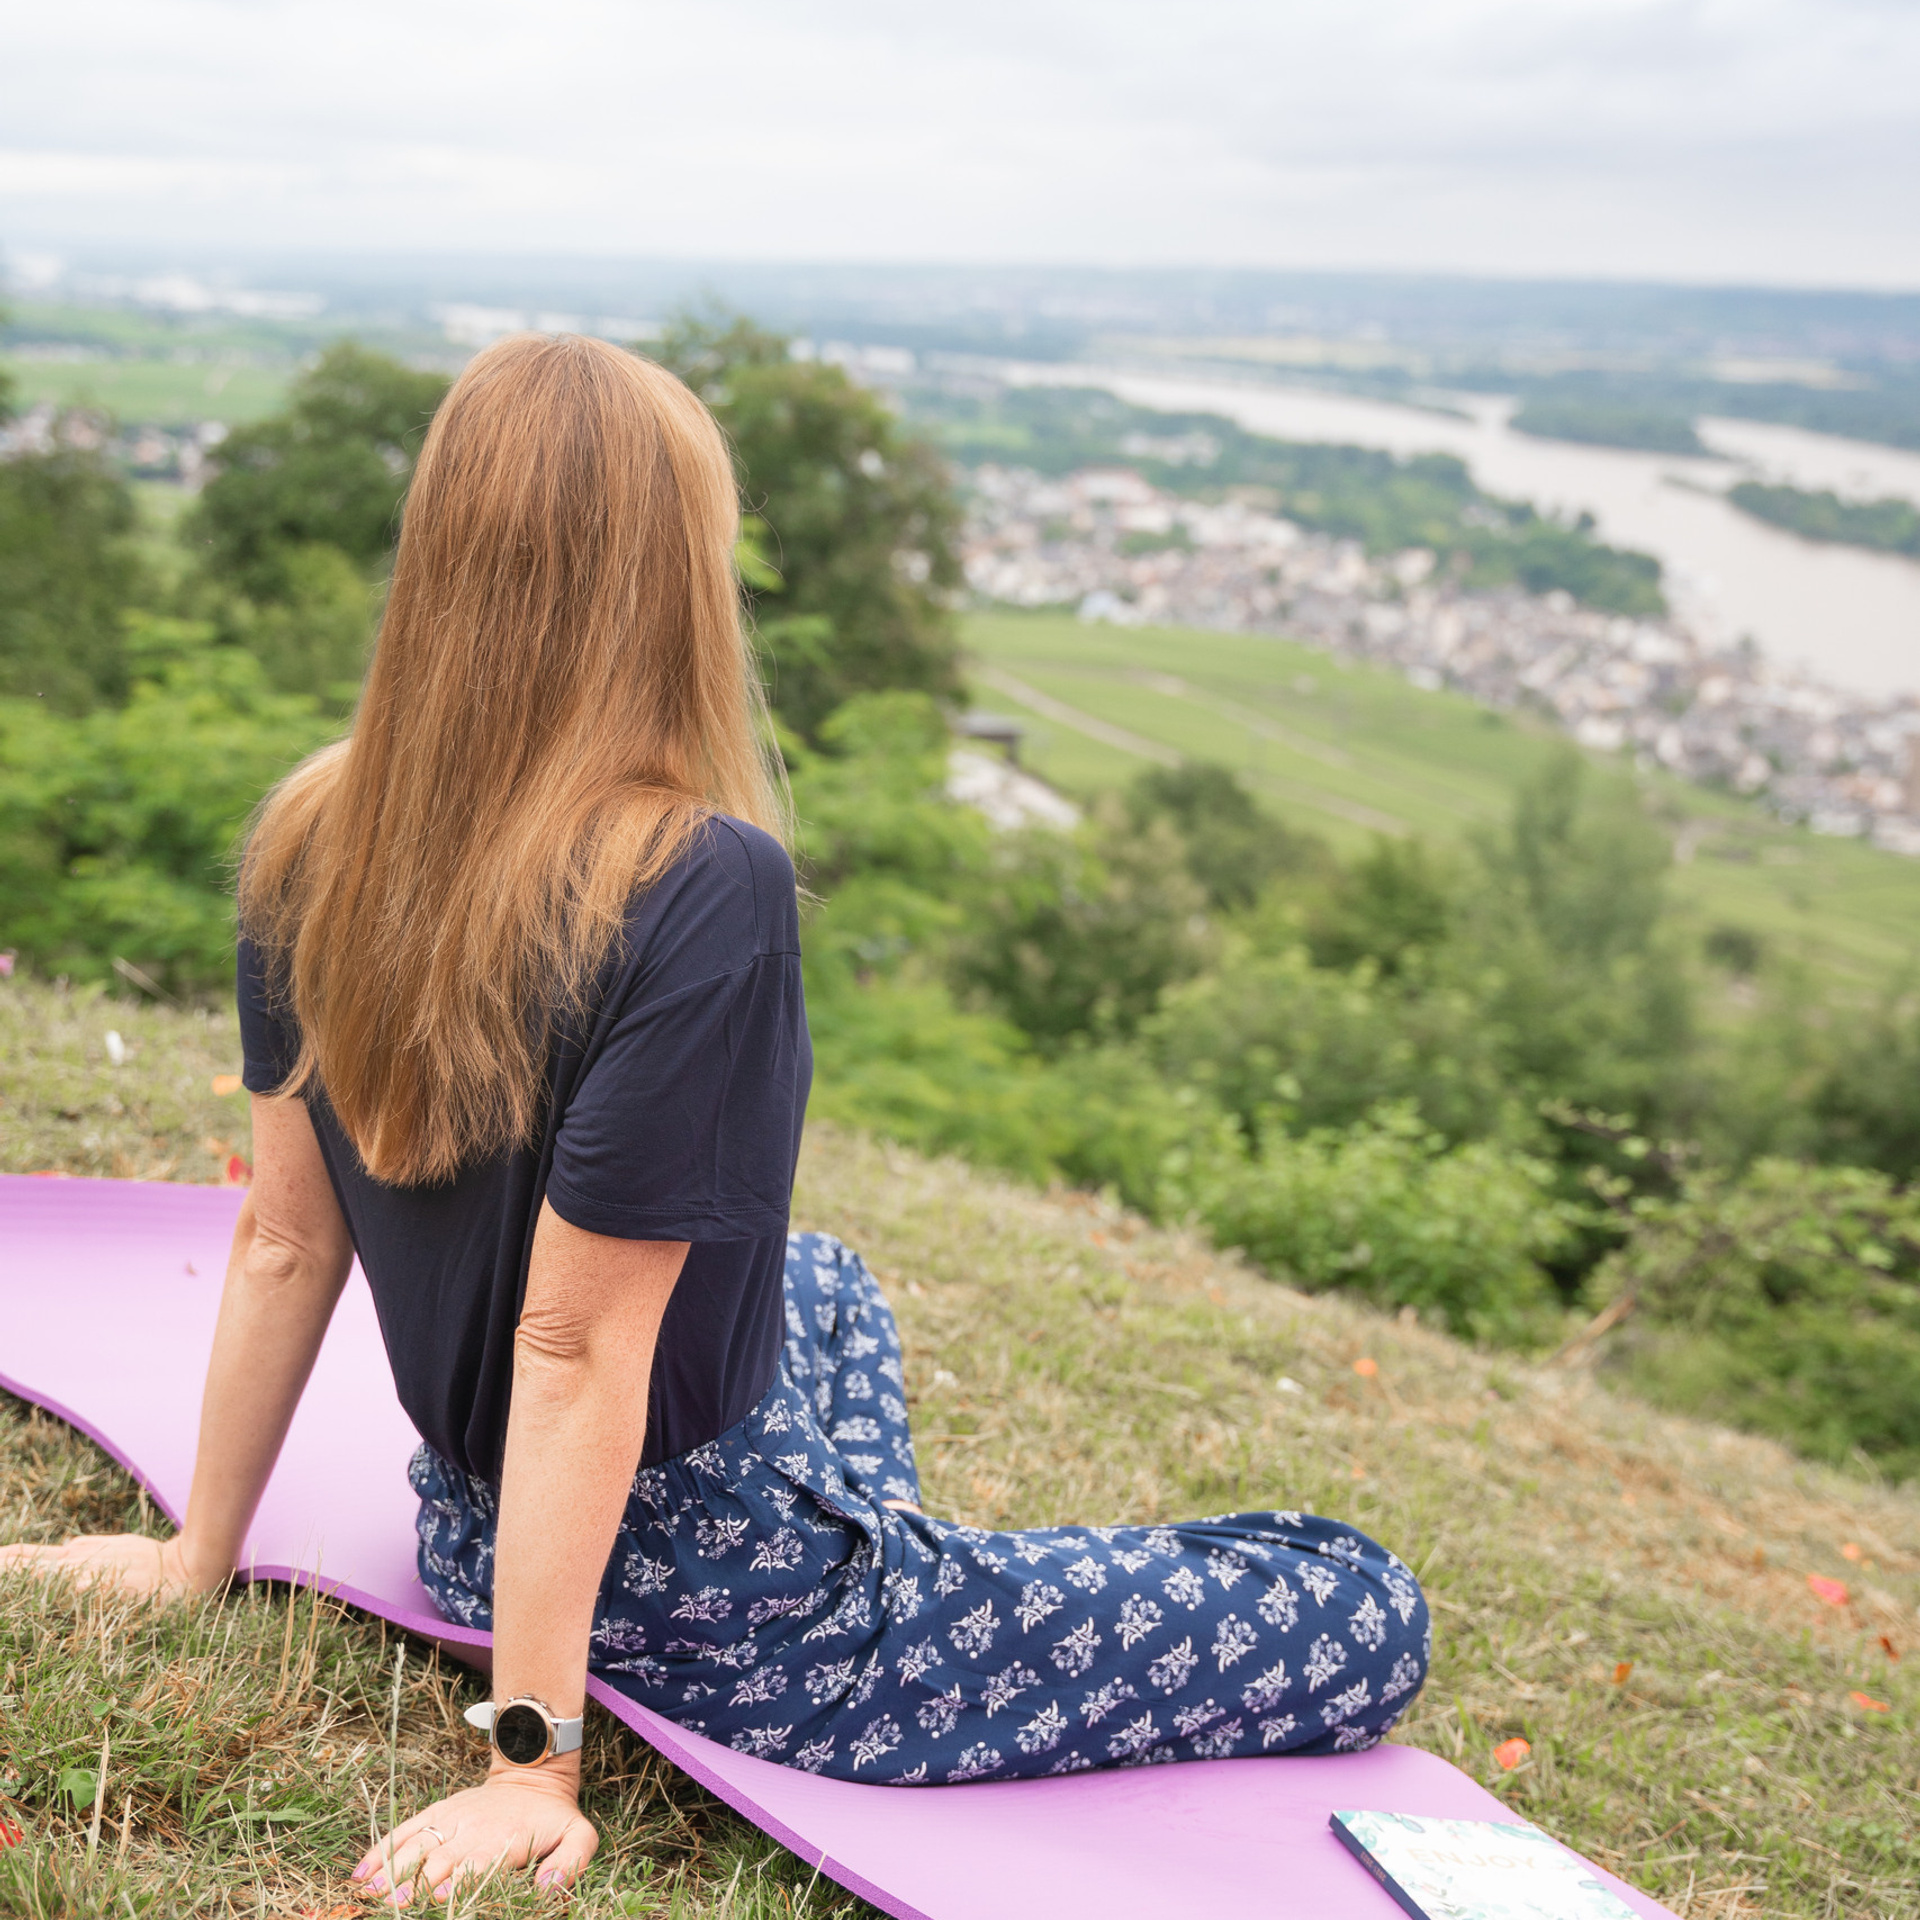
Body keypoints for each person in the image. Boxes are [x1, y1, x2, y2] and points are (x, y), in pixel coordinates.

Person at [0, 333, 1429, 1902]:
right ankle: (878, 1588)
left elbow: (284, 1241)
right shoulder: (699, 883)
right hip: (728, 1613)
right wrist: (528, 1765)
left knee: (824, 1279)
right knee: (1363, 1601)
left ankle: (874, 1545)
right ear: (669, 581)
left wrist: (196, 1553)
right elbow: (570, 1351)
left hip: (473, 1533)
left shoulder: (316, 829)